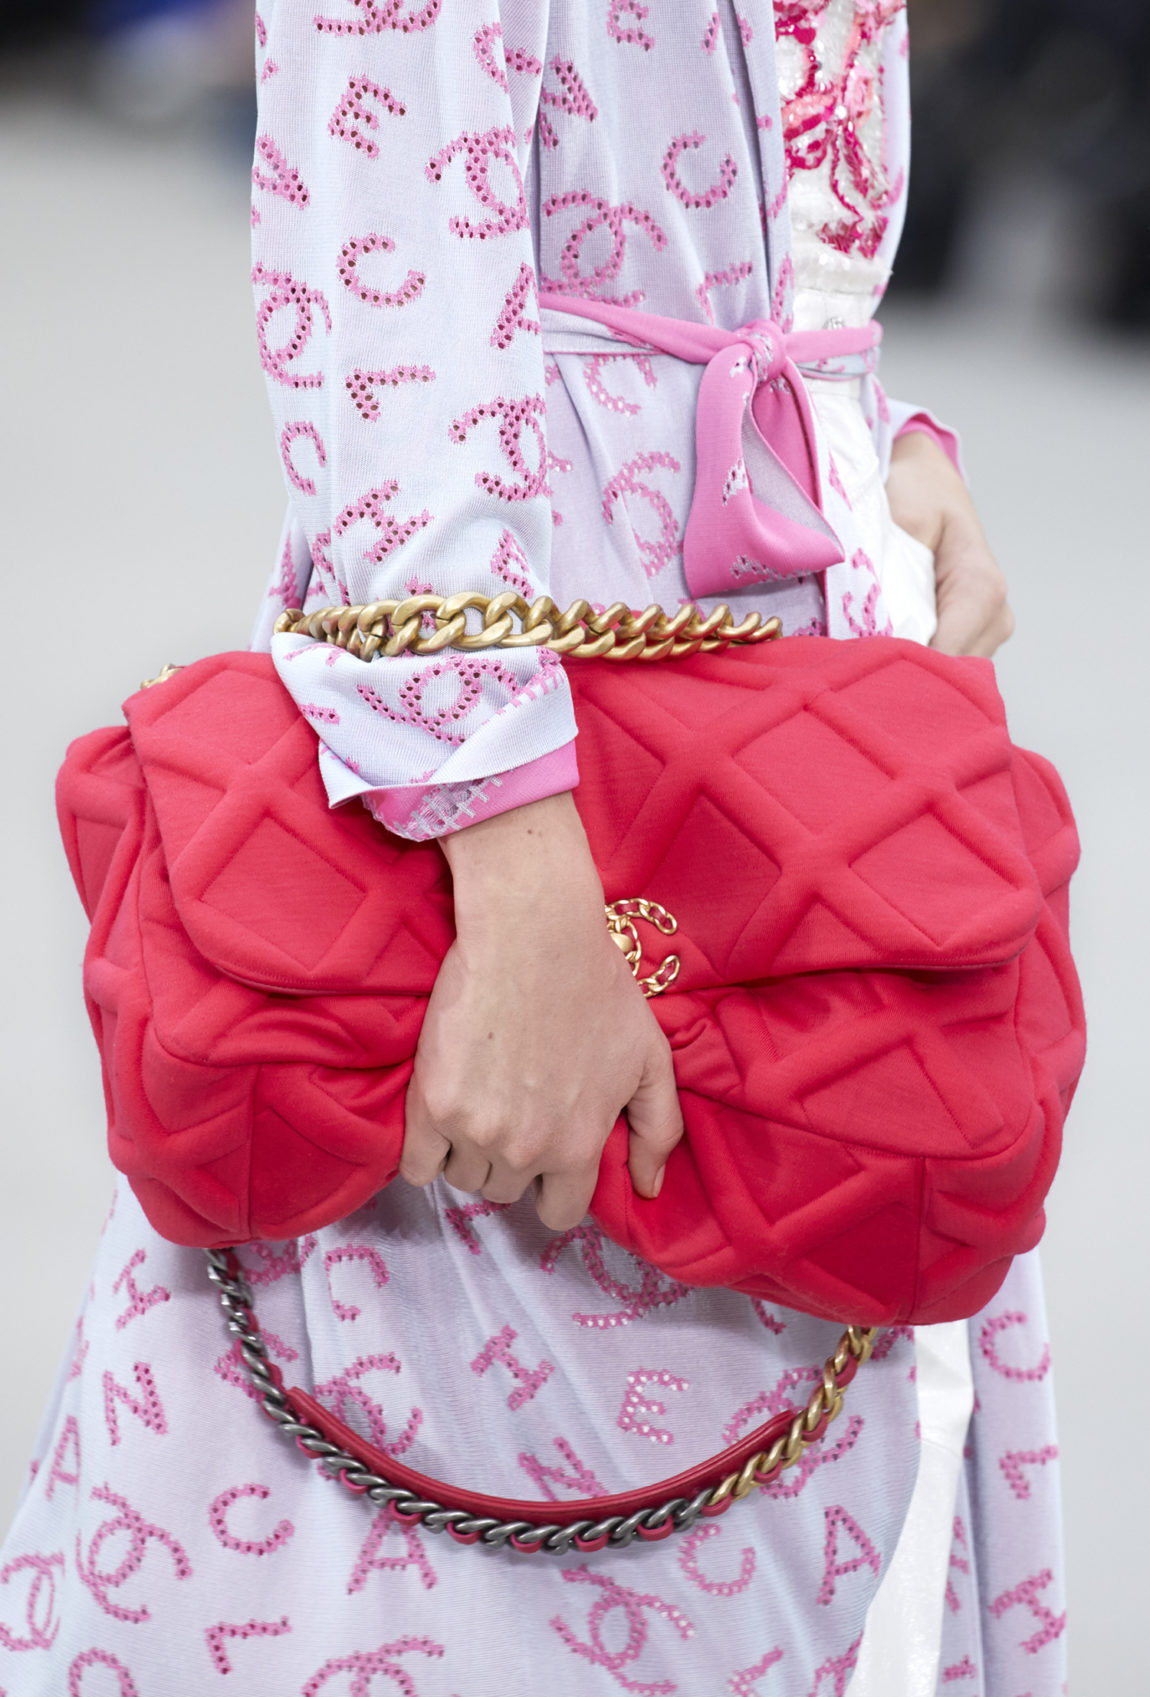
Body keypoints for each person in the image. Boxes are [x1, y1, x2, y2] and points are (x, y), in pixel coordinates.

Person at [0, 5, 1065, 1694]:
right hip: (544, 733)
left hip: (801, 709)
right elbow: (384, 305)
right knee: (468, 1513)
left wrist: (877, 437)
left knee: (794, 1456)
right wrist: (508, 868)